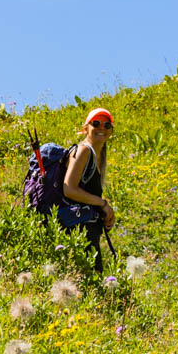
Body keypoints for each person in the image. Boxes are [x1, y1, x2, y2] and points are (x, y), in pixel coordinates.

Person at [57, 107, 116, 270]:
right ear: (85, 128)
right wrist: (102, 204)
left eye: (107, 125)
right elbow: (69, 189)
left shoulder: (98, 156)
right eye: (96, 123)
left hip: (88, 231)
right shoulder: (84, 150)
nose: (101, 128)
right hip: (76, 231)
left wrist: (104, 212)